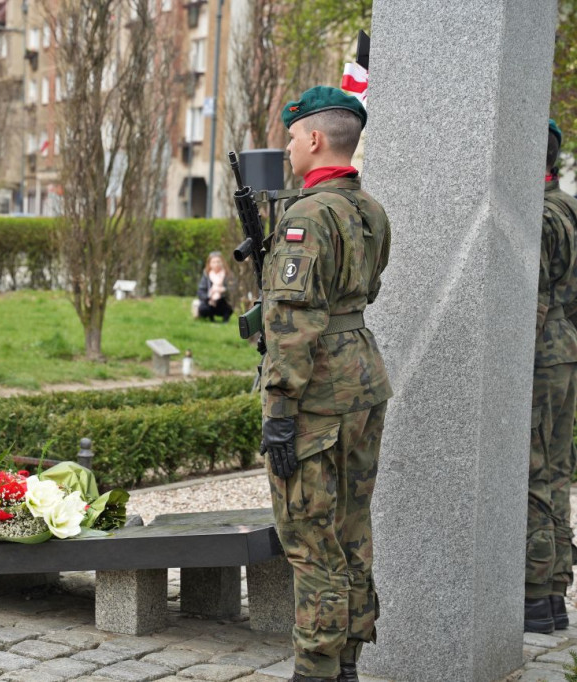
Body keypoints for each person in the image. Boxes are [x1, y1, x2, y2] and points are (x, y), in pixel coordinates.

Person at [259, 87, 391, 682]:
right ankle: (346, 664)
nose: (288, 147)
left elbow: (293, 322)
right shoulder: (370, 211)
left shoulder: (308, 216)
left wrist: (279, 408)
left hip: (316, 392)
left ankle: (315, 669)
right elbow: (367, 291)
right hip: (362, 379)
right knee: (351, 529)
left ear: (314, 139)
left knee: (310, 537)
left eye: (292, 137)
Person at [524, 119, 577, 634]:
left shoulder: (540, 215)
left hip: (541, 353)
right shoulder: (567, 206)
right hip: (564, 348)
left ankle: (535, 594)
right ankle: (555, 588)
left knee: (533, 470)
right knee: (556, 471)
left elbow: (532, 303)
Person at [196, 251, 237, 322]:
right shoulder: (206, 275)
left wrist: (224, 290)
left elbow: (234, 289)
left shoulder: (228, 274)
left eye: (218, 262)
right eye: (214, 262)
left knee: (226, 305)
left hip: (224, 301)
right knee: (203, 309)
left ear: (222, 262)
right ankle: (210, 318)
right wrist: (209, 297)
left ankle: (225, 318)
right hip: (210, 301)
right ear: (209, 264)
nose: (216, 264)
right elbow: (201, 291)